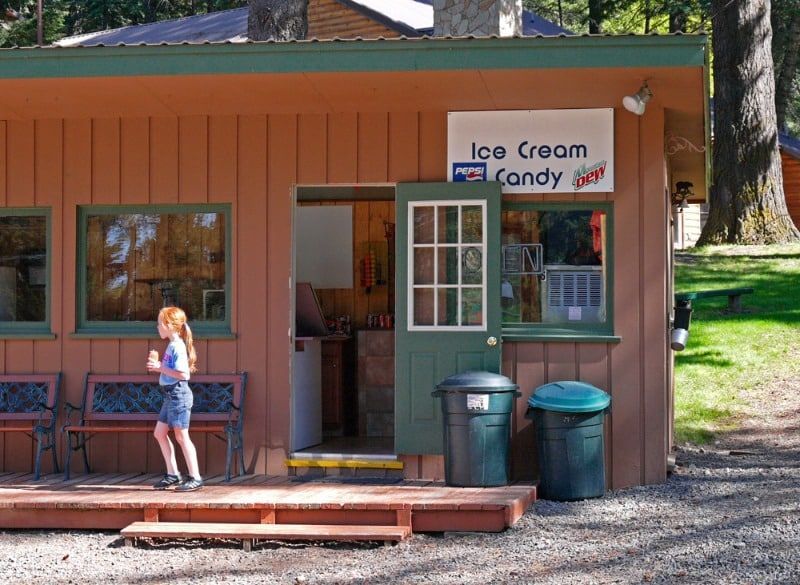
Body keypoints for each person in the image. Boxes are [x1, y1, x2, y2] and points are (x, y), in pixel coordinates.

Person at [147, 306, 203, 492]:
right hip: (170, 395)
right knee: (159, 433)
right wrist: (159, 367)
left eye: (159, 323)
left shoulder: (177, 346)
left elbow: (183, 374)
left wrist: (160, 368)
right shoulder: (172, 345)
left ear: (170, 325)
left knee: (182, 436)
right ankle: (173, 474)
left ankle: (195, 477)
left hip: (179, 394)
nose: (157, 327)